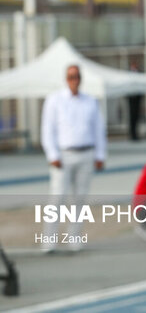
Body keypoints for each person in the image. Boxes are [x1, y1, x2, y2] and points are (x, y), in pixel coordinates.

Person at [40, 64, 106, 253]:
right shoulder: (55, 100)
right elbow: (48, 130)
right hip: (64, 155)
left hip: (86, 153)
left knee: (79, 199)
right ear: (66, 79)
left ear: (81, 78)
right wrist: (52, 154)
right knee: (57, 198)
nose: (74, 80)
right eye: (70, 77)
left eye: (76, 76)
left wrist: (100, 155)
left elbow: (98, 130)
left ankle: (74, 238)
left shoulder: (90, 101)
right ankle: (49, 241)